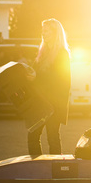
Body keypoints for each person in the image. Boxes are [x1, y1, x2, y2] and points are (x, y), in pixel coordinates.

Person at [27, 19, 71, 156]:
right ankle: (37, 167)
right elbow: (35, 75)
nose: (43, 33)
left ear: (55, 33)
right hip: (39, 103)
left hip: (53, 105)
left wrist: (36, 77)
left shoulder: (62, 54)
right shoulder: (42, 54)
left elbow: (64, 81)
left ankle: (56, 169)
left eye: (47, 30)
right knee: (33, 135)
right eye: (43, 30)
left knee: (52, 137)